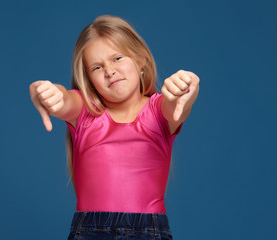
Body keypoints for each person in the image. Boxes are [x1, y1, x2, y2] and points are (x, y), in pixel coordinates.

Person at [29, 15, 199, 240]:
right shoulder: (85, 112)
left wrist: (187, 87)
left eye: (118, 58)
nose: (110, 71)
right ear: (89, 79)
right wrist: (47, 92)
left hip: (149, 231)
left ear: (140, 60)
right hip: (89, 231)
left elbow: (176, 104)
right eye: (97, 67)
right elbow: (65, 100)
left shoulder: (158, 111)